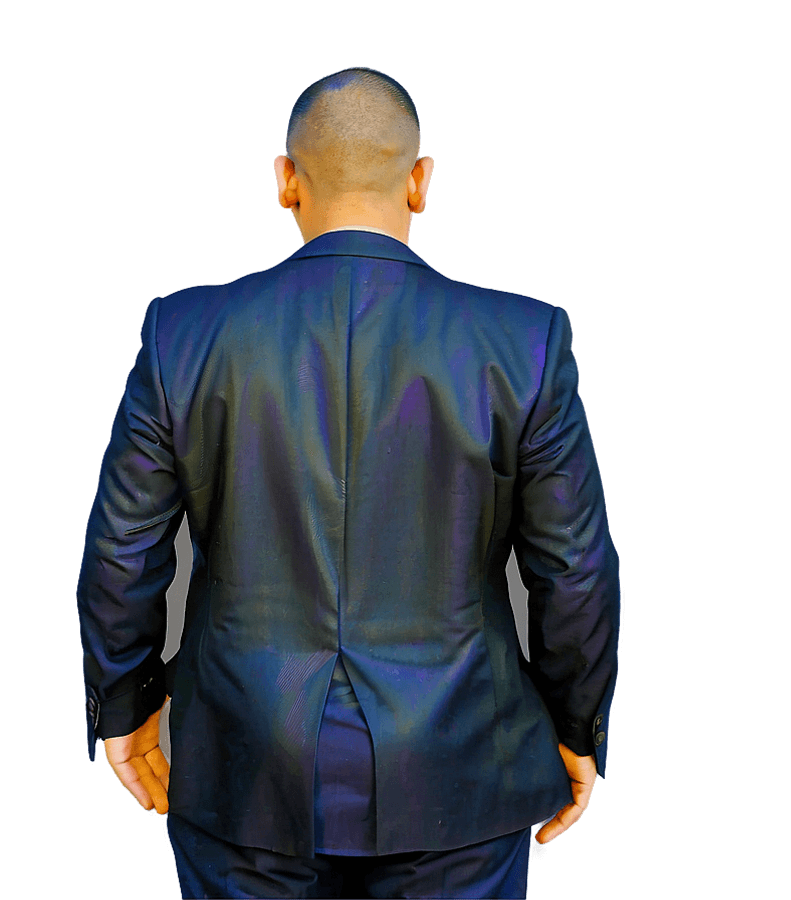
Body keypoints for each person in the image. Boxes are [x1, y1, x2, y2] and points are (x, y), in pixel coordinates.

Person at [77, 66, 620, 899]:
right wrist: (577, 725)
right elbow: (574, 569)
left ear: (286, 180)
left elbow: (122, 552)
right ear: (421, 181)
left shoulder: (182, 335)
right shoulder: (525, 341)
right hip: (462, 776)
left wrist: (125, 706)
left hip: (243, 774)